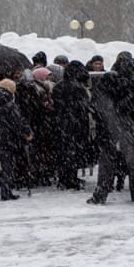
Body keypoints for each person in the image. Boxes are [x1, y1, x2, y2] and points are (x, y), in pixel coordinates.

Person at [89, 52, 134, 205]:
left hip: (111, 127)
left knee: (107, 161)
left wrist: (106, 120)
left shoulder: (109, 79)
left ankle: (100, 195)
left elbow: (96, 104)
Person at [51, 61, 93, 189]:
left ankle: (64, 178)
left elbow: (57, 106)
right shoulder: (79, 88)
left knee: (64, 152)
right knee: (74, 152)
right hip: (76, 124)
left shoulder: (58, 87)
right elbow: (83, 107)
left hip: (61, 123)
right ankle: (71, 178)